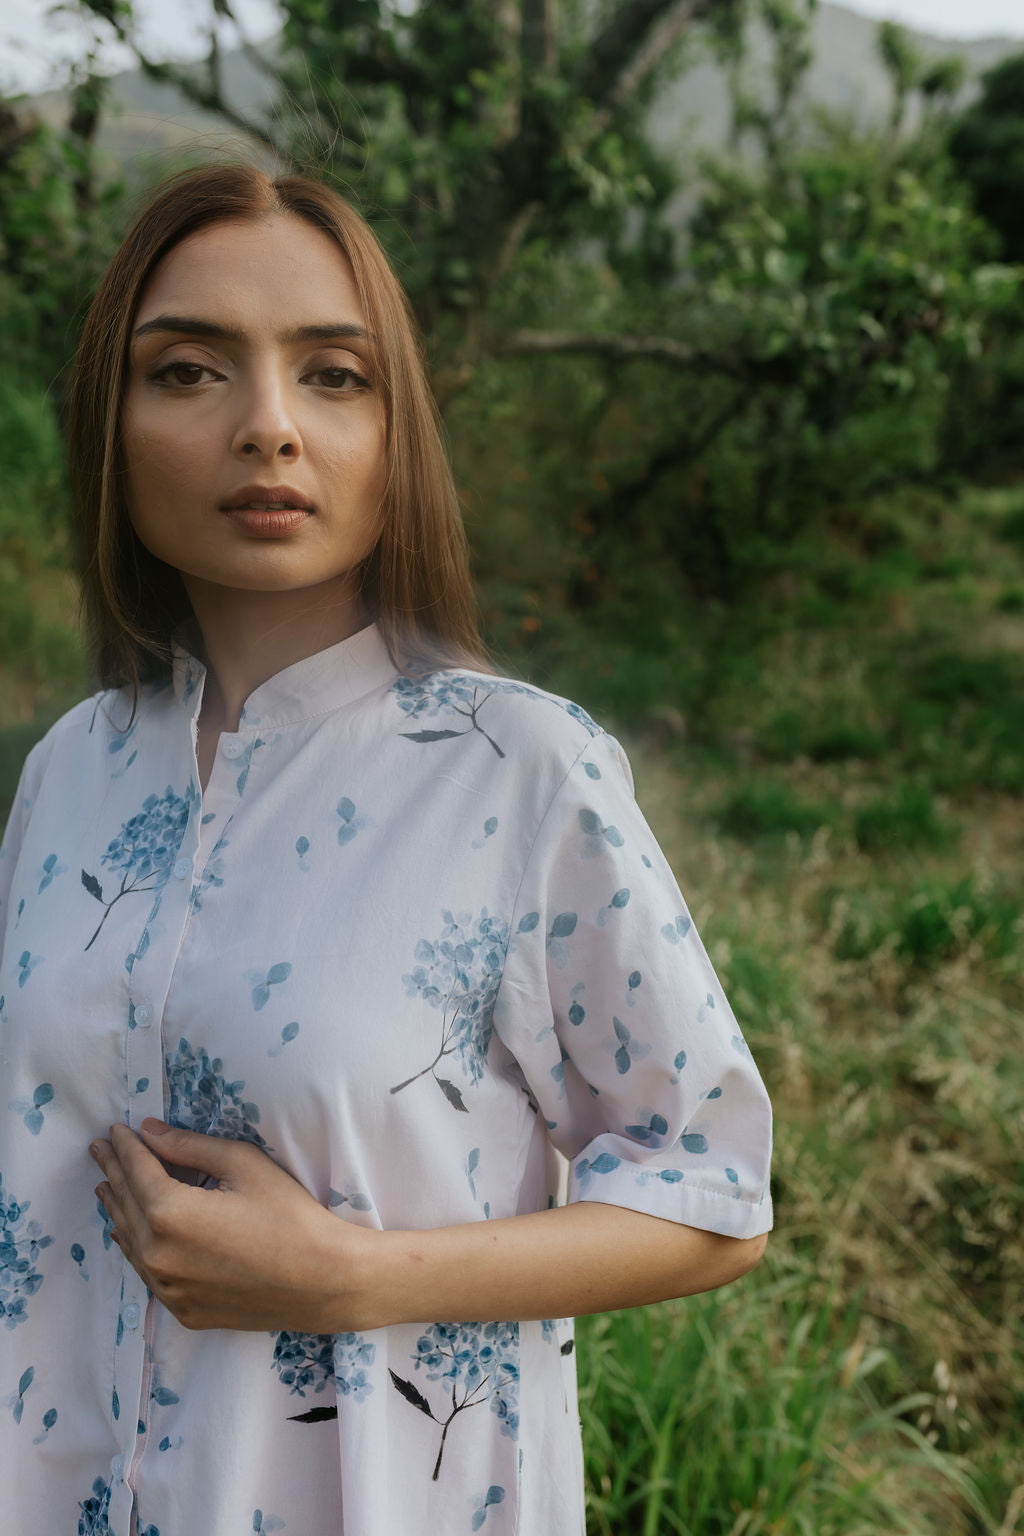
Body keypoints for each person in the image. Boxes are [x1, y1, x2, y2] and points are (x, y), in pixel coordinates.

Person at [0, 164, 773, 1536]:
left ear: (395, 428)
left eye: (335, 375)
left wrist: (353, 1277)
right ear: (109, 424)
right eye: (188, 371)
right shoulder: (72, 768)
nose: (270, 428)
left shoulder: (519, 773)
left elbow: (710, 1196)